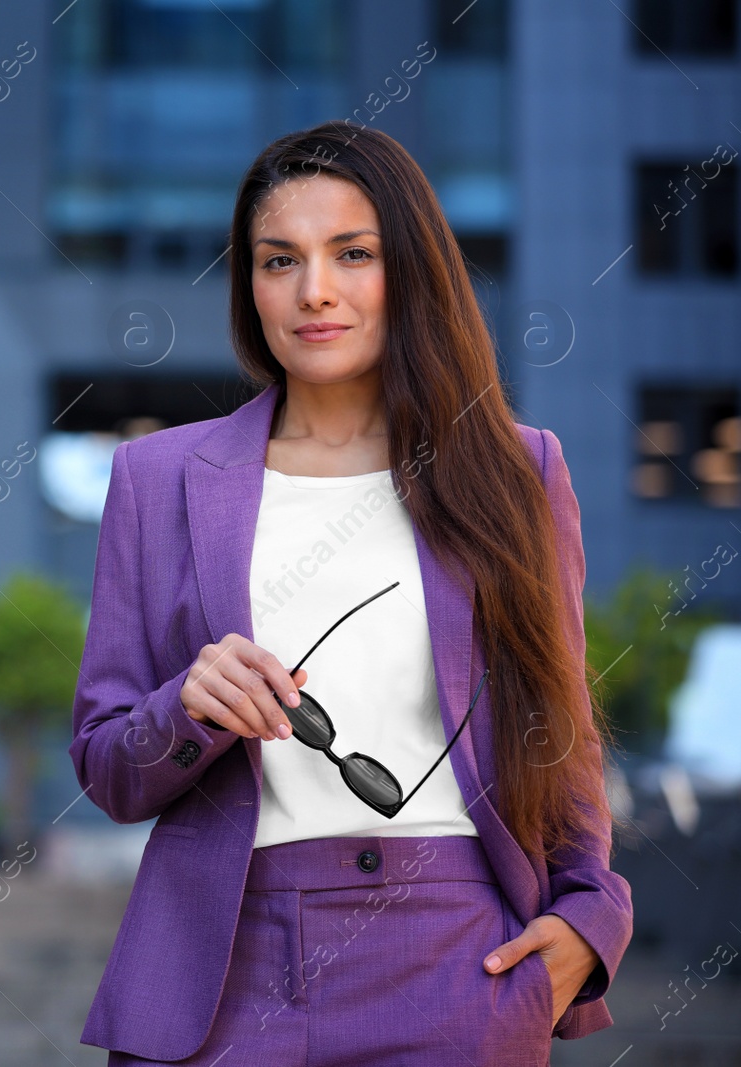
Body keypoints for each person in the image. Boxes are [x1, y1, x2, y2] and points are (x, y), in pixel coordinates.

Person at [69, 121, 633, 1066]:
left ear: (409, 269)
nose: (313, 290)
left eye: (353, 254)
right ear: (249, 286)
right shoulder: (156, 478)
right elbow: (107, 766)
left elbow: (558, 728)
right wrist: (187, 707)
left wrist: (591, 919)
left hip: (458, 961)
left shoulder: (516, 470)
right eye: (277, 260)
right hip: (220, 971)